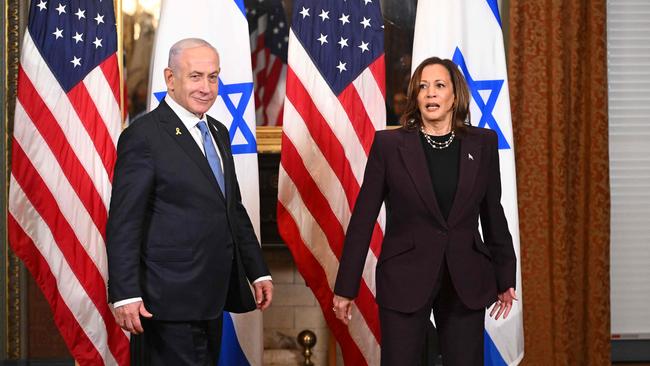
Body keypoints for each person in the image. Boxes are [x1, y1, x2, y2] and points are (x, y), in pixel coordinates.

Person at [332, 57, 517, 366]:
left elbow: (493, 213)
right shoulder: (390, 146)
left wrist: (505, 277)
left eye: (440, 86)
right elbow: (363, 219)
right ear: (415, 97)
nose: (430, 93)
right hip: (405, 277)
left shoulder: (483, 144)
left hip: (465, 280)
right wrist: (346, 287)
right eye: (423, 87)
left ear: (454, 96)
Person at [106, 38, 273, 365]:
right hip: (167, 300)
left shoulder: (219, 132)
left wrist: (257, 271)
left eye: (213, 77)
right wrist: (124, 293)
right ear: (170, 79)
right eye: (196, 76)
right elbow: (125, 223)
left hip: (212, 294)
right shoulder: (144, 137)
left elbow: (232, 209)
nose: (206, 87)